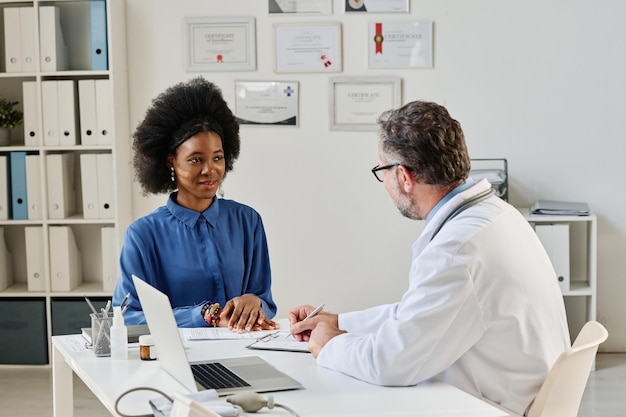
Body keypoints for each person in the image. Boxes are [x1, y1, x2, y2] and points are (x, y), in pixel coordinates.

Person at [288, 101, 570, 416]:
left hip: (489, 406)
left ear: (404, 177)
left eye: (382, 171)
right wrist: (340, 322)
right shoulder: (496, 214)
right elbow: (419, 314)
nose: (384, 184)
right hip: (511, 389)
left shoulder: (457, 249)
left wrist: (328, 346)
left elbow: (392, 363)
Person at [113, 77, 277, 332]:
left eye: (218, 158)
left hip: (244, 348)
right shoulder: (143, 235)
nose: (209, 170)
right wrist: (201, 315)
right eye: (196, 159)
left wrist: (253, 301)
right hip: (176, 358)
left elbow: (265, 301)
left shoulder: (248, 221)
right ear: (171, 162)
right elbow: (129, 316)